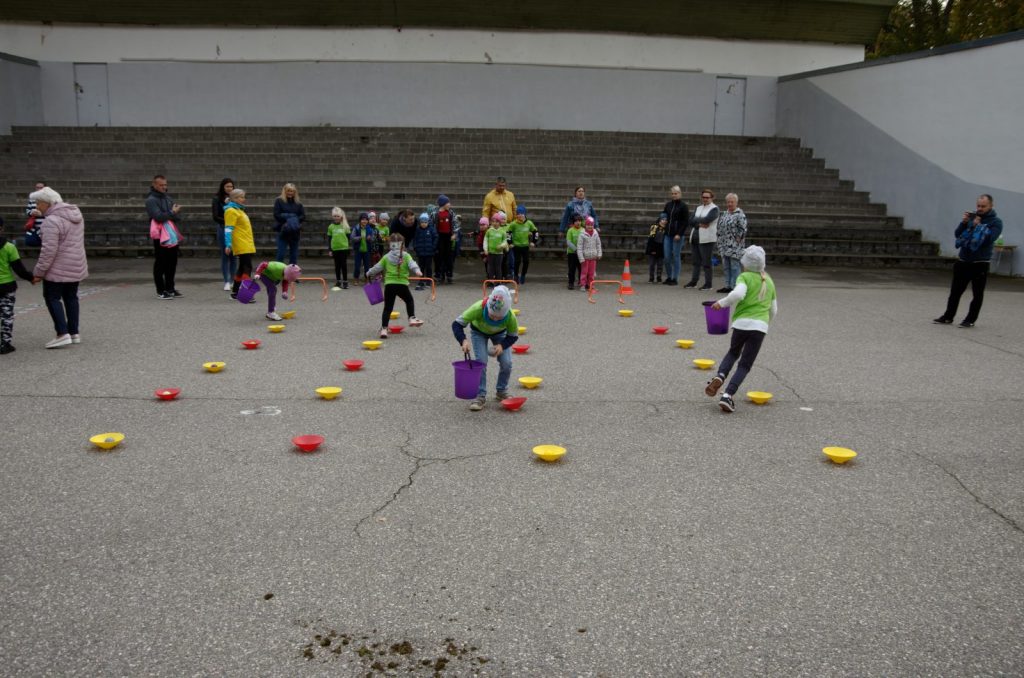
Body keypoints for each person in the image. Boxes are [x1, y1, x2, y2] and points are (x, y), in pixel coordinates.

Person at [704, 245, 777, 413]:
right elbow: (774, 310)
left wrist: (721, 303)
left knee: (733, 353)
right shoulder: (769, 281)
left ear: (746, 264)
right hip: (760, 327)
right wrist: (764, 324)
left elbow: (738, 294)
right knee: (745, 365)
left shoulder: (744, 277)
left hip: (741, 324)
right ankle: (727, 395)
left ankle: (720, 375)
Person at [30, 187, 88, 349]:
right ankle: (74, 332)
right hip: (75, 263)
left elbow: (48, 251)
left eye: (38, 203)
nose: (37, 206)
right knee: (71, 297)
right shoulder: (76, 215)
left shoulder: (51, 221)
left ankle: (62, 334)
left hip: (57, 267)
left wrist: (39, 272)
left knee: (52, 297)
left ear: (47, 203)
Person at [933, 194, 1004, 328]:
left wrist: (978, 226)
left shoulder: (996, 222)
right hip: (963, 260)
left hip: (980, 262)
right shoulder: (972, 217)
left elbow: (989, 239)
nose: (980, 208)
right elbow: (958, 235)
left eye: (983, 206)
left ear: (991, 206)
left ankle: (970, 319)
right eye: (978, 205)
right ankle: (948, 316)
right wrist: (964, 223)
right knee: (955, 292)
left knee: (977, 294)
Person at [452, 285, 519, 411]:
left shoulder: (510, 316)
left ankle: (501, 391)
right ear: (488, 306)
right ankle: (480, 395)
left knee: (507, 363)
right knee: (481, 362)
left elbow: (513, 336)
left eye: (499, 317)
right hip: (478, 333)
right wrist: (463, 340)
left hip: (500, 334)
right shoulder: (478, 308)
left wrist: (502, 345)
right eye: (492, 315)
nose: (495, 319)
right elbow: (457, 324)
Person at [365, 233, 425, 339]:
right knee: (409, 300)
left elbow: (377, 267)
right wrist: (418, 271)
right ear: (402, 244)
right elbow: (412, 264)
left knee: (388, 308)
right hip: (402, 285)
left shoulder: (386, 257)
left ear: (390, 245)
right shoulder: (406, 255)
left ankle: (384, 329)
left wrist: (368, 273)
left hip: (390, 285)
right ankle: (411, 317)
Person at [0, 217, 36, 354]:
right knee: (6, 315)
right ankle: (5, 344)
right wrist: (31, 278)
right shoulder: (9, 247)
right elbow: (19, 269)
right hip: (6, 286)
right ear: (2, 228)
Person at [146, 175, 182, 300]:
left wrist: (174, 214)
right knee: (161, 262)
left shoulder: (167, 197)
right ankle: (160, 291)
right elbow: (158, 217)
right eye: (161, 185)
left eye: (165, 185)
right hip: (159, 234)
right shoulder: (151, 200)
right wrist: (172, 212)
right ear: (154, 185)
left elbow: (175, 217)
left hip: (171, 233)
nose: (164, 187)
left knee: (172, 262)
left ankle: (170, 288)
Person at [223, 188, 256, 300]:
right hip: (241, 243)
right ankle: (245, 292)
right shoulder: (231, 211)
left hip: (246, 242)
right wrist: (228, 244)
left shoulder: (239, 210)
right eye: (241, 197)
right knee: (247, 267)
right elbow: (228, 229)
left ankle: (236, 292)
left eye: (243, 197)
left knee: (242, 268)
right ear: (234, 198)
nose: (243, 199)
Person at [684, 189, 719, 291]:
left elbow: (707, 220)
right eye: (703, 197)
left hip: (707, 239)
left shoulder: (714, 209)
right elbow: (690, 220)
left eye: (707, 197)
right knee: (696, 262)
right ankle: (694, 282)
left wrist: (696, 221)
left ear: (712, 198)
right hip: (695, 237)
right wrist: (699, 224)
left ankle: (708, 284)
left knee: (707, 263)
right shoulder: (698, 208)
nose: (705, 199)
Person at [716, 193, 747, 293]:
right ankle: (727, 285)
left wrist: (738, 238)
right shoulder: (724, 214)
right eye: (728, 202)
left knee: (734, 266)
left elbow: (743, 229)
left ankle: (735, 287)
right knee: (726, 267)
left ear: (736, 202)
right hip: (724, 244)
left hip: (735, 245)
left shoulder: (740, 214)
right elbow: (719, 227)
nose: (729, 204)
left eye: (732, 202)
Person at [212, 178, 236, 291]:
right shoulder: (217, 199)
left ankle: (232, 280)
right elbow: (215, 216)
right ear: (223, 187)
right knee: (225, 254)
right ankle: (226, 281)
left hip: (235, 230)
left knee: (234, 256)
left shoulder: (236, 198)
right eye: (227, 186)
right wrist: (228, 222)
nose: (229, 188)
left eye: (231, 186)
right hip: (223, 228)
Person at [273, 183, 305, 265]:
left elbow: (303, 216)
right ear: (285, 191)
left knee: (294, 255)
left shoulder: (298, 203)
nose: (290, 193)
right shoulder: (279, 201)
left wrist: (292, 219)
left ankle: (292, 272)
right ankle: (278, 271)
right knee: (281, 254)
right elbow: (276, 215)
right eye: (288, 191)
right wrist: (291, 217)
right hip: (282, 230)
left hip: (294, 231)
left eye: (292, 191)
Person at [662, 186, 688, 285]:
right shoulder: (668, 205)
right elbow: (664, 214)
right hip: (667, 234)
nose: (674, 195)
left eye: (676, 193)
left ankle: (675, 278)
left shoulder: (683, 206)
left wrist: (679, 233)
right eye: (672, 193)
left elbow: (685, 222)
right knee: (667, 257)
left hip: (677, 235)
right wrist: (662, 219)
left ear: (680, 194)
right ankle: (669, 277)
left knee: (676, 256)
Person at [432, 196, 458, 284]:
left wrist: (454, 234)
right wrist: (434, 235)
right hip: (439, 237)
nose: (449, 204)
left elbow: (455, 224)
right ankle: (439, 275)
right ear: (443, 204)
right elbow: (432, 224)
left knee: (449, 257)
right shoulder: (435, 213)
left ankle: (449, 274)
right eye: (448, 203)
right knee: (439, 257)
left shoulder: (451, 213)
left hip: (449, 237)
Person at [510, 206, 539, 284]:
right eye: (518, 214)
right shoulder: (513, 224)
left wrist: (534, 242)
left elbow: (535, 232)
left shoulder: (529, 223)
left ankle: (523, 275)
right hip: (516, 246)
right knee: (517, 261)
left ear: (525, 214)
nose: (520, 215)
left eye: (521, 214)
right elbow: (508, 233)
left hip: (525, 246)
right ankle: (516, 276)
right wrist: (510, 243)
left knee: (526, 261)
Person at [327, 207, 351, 290]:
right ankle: (338, 281)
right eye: (335, 216)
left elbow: (348, 237)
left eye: (338, 216)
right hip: (335, 249)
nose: (336, 218)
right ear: (332, 216)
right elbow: (329, 239)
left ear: (341, 216)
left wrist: (346, 246)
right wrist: (330, 249)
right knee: (337, 266)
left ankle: (345, 282)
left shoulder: (345, 226)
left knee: (343, 265)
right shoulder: (331, 227)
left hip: (343, 249)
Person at [412, 212, 438, 290]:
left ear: (428, 222)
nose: (423, 224)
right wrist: (416, 247)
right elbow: (415, 239)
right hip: (420, 252)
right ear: (420, 223)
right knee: (421, 267)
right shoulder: (417, 230)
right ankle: (421, 280)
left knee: (428, 267)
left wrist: (433, 247)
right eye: (422, 222)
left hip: (429, 252)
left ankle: (428, 281)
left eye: (425, 222)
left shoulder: (431, 229)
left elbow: (436, 238)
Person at [577, 216, 602, 292]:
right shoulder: (582, 234)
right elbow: (579, 247)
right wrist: (581, 258)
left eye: (591, 225)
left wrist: (599, 253)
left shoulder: (595, 233)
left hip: (593, 257)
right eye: (588, 225)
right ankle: (583, 285)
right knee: (584, 272)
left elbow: (598, 244)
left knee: (592, 273)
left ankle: (590, 285)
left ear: (593, 225)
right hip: (585, 258)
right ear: (585, 225)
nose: (590, 226)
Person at [482, 213, 508, 282]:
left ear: (499, 222)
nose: (495, 223)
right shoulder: (489, 231)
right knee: (490, 268)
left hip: (499, 254)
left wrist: (501, 246)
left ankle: (498, 281)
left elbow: (505, 241)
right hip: (490, 253)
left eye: (496, 222)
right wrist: (485, 249)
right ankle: (491, 281)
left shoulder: (502, 231)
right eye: (493, 221)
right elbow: (485, 240)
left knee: (498, 268)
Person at [351, 212, 374, 284]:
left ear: (368, 221)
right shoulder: (356, 228)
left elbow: (373, 239)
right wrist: (359, 238)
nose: (364, 221)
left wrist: (370, 238)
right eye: (363, 219)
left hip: (367, 250)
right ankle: (356, 278)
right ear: (360, 220)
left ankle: (367, 278)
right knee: (357, 266)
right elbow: (352, 238)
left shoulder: (370, 229)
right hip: (358, 250)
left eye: (366, 220)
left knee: (367, 266)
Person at [645, 212, 668, 283]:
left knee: (660, 264)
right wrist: (652, 249)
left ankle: (659, 277)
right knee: (652, 264)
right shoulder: (654, 227)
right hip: (654, 247)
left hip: (661, 248)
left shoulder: (667, 229)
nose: (664, 221)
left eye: (666, 220)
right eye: (663, 219)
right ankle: (651, 278)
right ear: (660, 220)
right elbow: (651, 239)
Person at [23, 181, 46, 247]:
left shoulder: (49, 199)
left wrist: (41, 214)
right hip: (33, 227)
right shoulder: (32, 199)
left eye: (41, 187)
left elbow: (52, 212)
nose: (39, 189)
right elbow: (28, 211)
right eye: (37, 187)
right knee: (29, 242)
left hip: (45, 227)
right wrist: (31, 213)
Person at [565, 214, 583, 290]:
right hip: (572, 253)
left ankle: (581, 282)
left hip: (581, 253)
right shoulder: (570, 230)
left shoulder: (583, 230)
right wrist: (576, 250)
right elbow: (568, 242)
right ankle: (571, 283)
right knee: (572, 269)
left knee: (581, 268)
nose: (578, 222)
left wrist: (581, 250)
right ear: (573, 222)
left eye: (579, 221)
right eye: (576, 221)